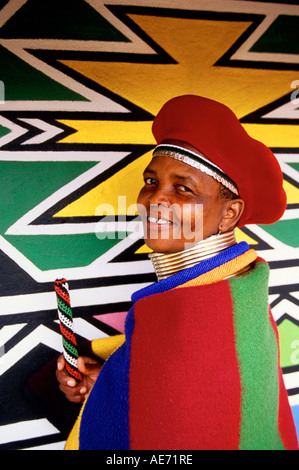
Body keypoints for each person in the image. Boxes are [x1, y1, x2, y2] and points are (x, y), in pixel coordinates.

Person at [56, 95, 298, 450]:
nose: (154, 200)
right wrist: (111, 385)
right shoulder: (231, 290)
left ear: (229, 214)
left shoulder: (205, 313)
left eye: (182, 188)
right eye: (151, 181)